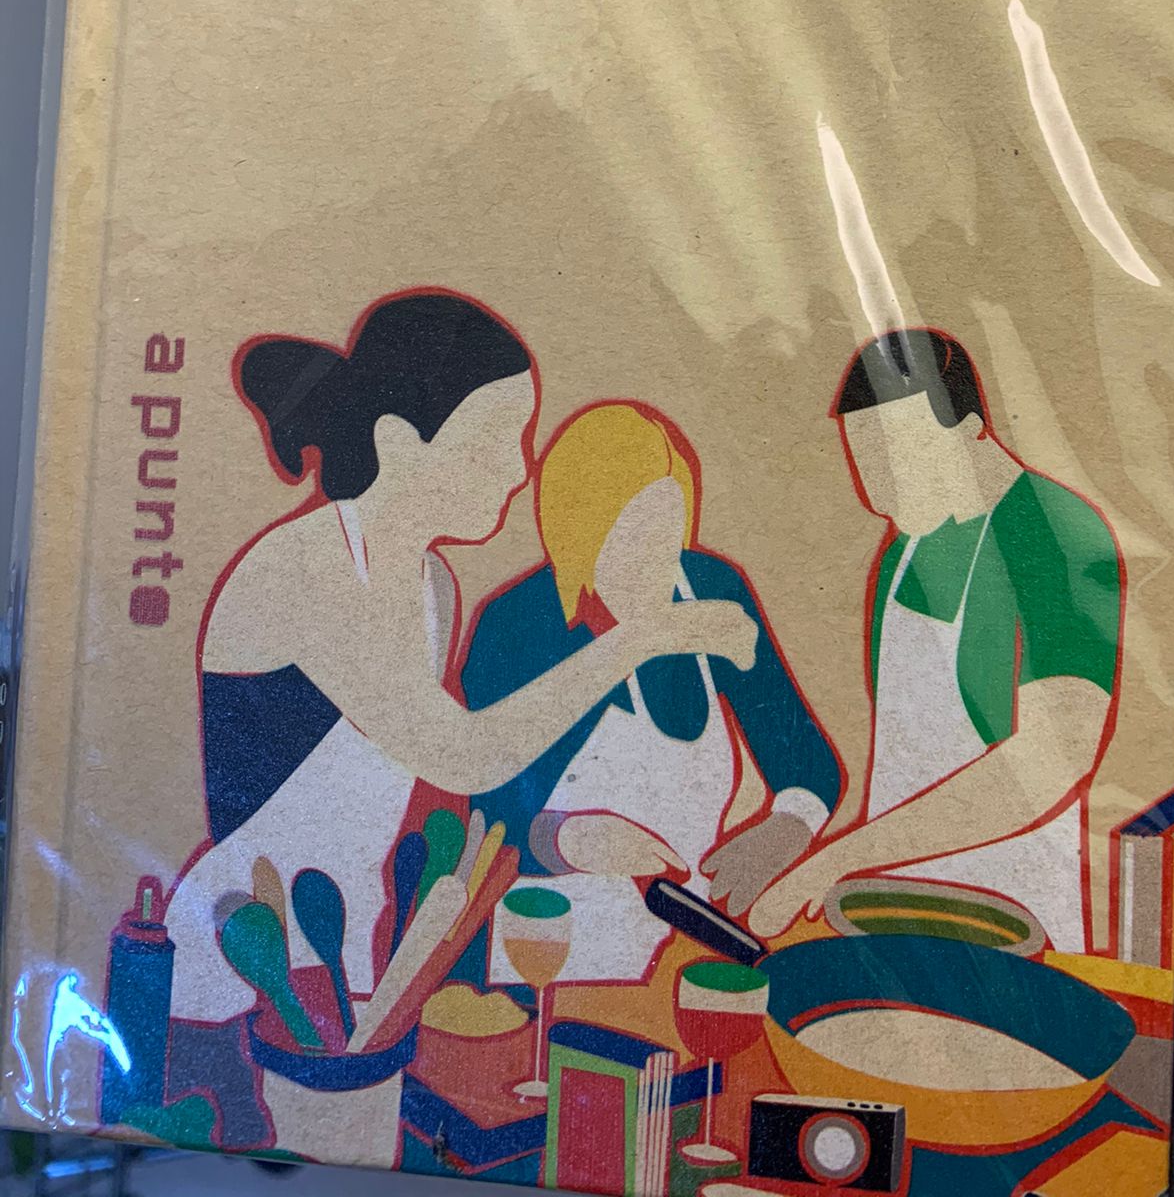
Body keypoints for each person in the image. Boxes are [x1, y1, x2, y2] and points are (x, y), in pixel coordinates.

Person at [165, 293, 751, 1071]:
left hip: (354, 981)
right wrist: (643, 639)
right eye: (496, 441)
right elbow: (464, 754)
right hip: (243, 965)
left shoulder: (432, 584)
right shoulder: (301, 570)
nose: (521, 468)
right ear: (398, 441)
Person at [750, 328, 1122, 952]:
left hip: (1013, 918)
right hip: (888, 908)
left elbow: (1053, 760)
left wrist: (839, 858)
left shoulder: (1053, 532)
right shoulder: (903, 552)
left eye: (901, 458)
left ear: (972, 429)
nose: (880, 494)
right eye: (867, 463)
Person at [459, 400, 844, 982]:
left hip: (685, 948)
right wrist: (567, 839)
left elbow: (809, 763)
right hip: (540, 959)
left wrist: (787, 825)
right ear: (578, 533)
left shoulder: (711, 594)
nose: (657, 561)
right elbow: (481, 815)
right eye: (631, 538)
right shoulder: (515, 627)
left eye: (669, 531)